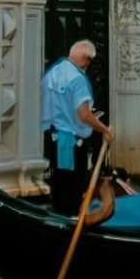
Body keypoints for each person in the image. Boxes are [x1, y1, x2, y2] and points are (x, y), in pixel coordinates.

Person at [41, 39, 113, 216]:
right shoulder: (78, 79)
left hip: (52, 136)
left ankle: (60, 217)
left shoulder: (54, 72)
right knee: (72, 186)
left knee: (59, 182)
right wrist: (104, 130)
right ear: (86, 59)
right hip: (70, 141)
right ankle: (71, 220)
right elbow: (84, 114)